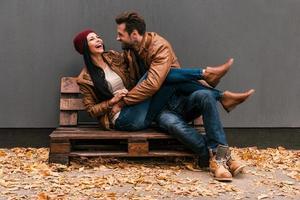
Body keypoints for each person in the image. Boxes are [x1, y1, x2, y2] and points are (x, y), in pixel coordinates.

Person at [114, 11, 255, 181]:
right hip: (158, 110)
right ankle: (222, 156)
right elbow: (151, 83)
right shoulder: (130, 52)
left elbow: (152, 84)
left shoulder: (159, 46)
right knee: (166, 83)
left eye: (120, 34)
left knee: (201, 94)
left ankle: (219, 155)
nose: (117, 38)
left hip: (179, 100)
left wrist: (124, 101)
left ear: (134, 34)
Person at [73, 30, 247, 133]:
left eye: (98, 37)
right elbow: (91, 110)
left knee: (163, 74)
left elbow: (133, 59)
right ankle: (208, 78)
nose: (98, 40)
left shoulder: (113, 57)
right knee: (156, 74)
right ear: (84, 48)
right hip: (122, 118)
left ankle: (216, 89)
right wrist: (112, 101)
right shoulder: (86, 78)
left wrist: (142, 45)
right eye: (92, 39)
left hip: (137, 105)